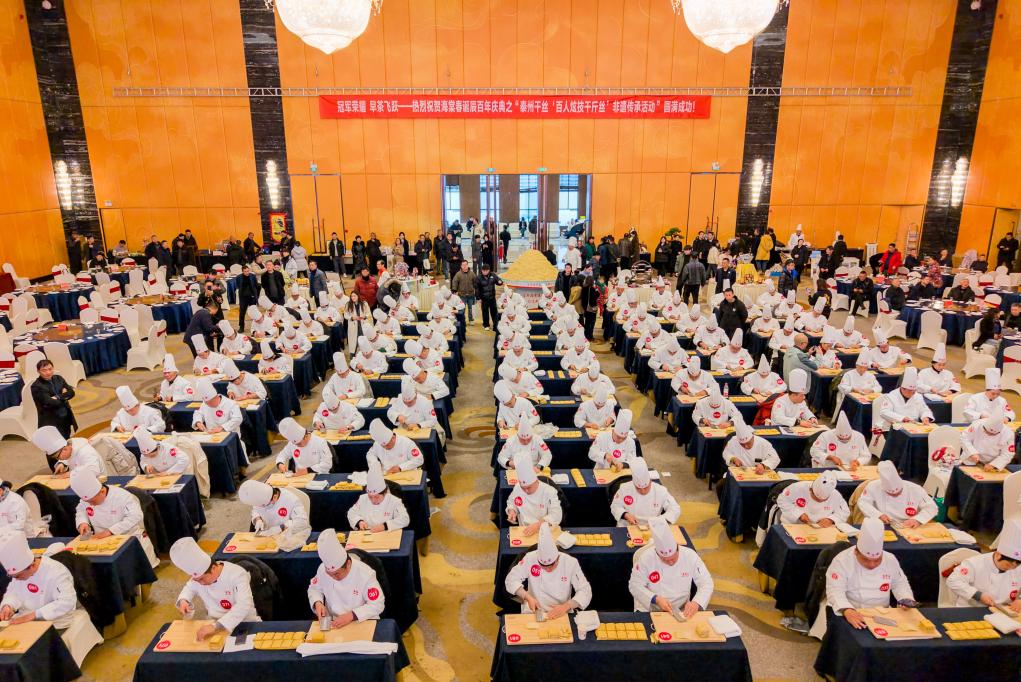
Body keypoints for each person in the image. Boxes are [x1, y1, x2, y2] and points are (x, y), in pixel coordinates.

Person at [825, 518, 916, 630]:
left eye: (877, 560)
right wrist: (847, 609)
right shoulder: (842, 561)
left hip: (882, 614)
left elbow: (899, 583)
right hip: (849, 611)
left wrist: (905, 598)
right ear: (856, 552)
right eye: (866, 560)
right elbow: (835, 590)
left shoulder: (890, 559)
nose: (872, 565)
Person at [0, 532, 90, 636]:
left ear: (31, 566)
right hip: (25, 619)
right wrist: (8, 605)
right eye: (13, 576)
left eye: (18, 576)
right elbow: (13, 593)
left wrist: (35, 614)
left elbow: (67, 601)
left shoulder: (56, 571)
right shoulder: (19, 574)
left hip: (55, 621)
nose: (16, 579)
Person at [170, 537, 260, 639]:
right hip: (213, 623)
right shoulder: (199, 577)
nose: (200, 583)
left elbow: (244, 605)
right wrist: (183, 600)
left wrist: (216, 626)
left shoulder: (237, 574)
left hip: (244, 622)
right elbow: (189, 587)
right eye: (197, 580)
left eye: (202, 579)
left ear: (213, 568)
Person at [71, 469, 158, 566]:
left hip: (129, 536)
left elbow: (136, 516)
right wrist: (82, 522)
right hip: (101, 539)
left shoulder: (122, 496)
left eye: (93, 501)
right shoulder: (89, 499)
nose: (91, 504)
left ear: (102, 491)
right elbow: (81, 509)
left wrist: (110, 531)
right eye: (88, 502)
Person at [504, 522, 591, 617]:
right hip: (534, 610)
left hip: (562, 612)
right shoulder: (530, 558)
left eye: (551, 565)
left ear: (558, 558)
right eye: (543, 566)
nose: (548, 569)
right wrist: (527, 597)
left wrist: (567, 606)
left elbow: (585, 590)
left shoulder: (570, 563)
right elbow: (511, 580)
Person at [628, 516, 712, 615]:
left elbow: (706, 583)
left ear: (678, 549)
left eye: (673, 558)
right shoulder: (646, 558)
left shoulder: (690, 556)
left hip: (681, 609)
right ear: (657, 553)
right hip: (651, 608)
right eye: (665, 560)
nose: (670, 562)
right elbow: (634, 585)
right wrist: (656, 599)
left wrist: (696, 602)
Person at [309, 527, 385, 628]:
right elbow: (314, 589)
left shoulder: (365, 574)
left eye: (337, 574)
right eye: (329, 574)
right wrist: (317, 602)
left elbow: (378, 604)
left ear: (348, 564)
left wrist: (352, 615)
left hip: (360, 621)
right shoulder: (322, 569)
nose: (333, 577)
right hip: (333, 622)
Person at [946, 519, 1021, 608]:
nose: (1012, 568)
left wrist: (1019, 600)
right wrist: (978, 595)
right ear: (998, 555)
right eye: (1008, 565)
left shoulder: (1017, 567)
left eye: (1016, 565)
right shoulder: (975, 563)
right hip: (973, 608)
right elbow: (953, 580)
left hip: (1005, 609)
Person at [238, 479, 312, 550]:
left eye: (265, 505)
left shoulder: (291, 500)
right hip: (266, 536)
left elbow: (302, 522)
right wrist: (258, 519)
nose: (263, 508)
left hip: (288, 538)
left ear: (274, 497)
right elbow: (255, 509)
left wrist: (281, 527)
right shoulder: (260, 497)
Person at [858, 461, 937, 526]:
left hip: (909, 526)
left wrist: (917, 520)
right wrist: (878, 515)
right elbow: (863, 502)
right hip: (882, 524)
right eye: (891, 494)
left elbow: (932, 507)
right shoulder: (873, 486)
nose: (895, 495)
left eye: (898, 493)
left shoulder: (915, 489)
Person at [609, 458, 680, 527]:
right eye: (638, 488)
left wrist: (660, 520)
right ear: (634, 483)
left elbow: (675, 508)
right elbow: (615, 506)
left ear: (650, 481)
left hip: (653, 527)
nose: (643, 491)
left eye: (646, 487)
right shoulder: (624, 488)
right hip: (627, 526)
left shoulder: (660, 491)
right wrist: (625, 515)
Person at [347, 459, 410, 532]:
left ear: (384, 493)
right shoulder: (362, 499)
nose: (373, 500)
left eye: (376, 497)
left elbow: (405, 519)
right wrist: (359, 522)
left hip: (386, 534)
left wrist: (385, 526)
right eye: (370, 497)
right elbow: (351, 513)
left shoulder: (394, 501)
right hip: (366, 533)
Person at [505, 452, 562, 529]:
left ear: (536, 481)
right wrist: (512, 511)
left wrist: (539, 524)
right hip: (524, 528)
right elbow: (512, 502)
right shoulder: (518, 487)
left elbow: (556, 515)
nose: (526, 491)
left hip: (544, 529)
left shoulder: (549, 491)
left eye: (529, 488)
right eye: (523, 488)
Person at [776, 471, 849, 526]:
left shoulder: (836, 495)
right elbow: (782, 500)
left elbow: (844, 511)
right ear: (810, 490)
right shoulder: (798, 487)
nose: (819, 501)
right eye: (816, 499)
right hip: (792, 525)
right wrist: (799, 514)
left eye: (823, 500)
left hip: (820, 528)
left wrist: (830, 519)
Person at [30, 359, 76, 439]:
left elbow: (71, 392)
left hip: (65, 415)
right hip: (51, 419)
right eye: (44, 370)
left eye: (50, 369)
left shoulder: (59, 378)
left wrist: (57, 397)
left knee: (67, 437)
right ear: (38, 371)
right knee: (56, 442)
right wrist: (64, 396)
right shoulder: (36, 386)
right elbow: (51, 402)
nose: (48, 372)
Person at [476, 262, 502, 331]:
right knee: (485, 312)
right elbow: (477, 289)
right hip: (484, 298)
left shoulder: (493, 275)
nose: (485, 272)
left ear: (489, 270)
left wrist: (500, 282)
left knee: (494, 312)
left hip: (492, 298)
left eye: (486, 270)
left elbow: (498, 280)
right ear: (481, 270)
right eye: (483, 270)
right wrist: (478, 298)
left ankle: (495, 325)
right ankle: (486, 325)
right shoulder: (478, 277)